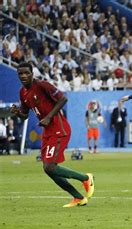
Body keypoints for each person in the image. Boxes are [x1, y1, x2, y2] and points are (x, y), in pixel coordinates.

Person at [10, 62, 94, 208]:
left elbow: (63, 99)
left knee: (49, 167)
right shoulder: (22, 93)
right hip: (48, 133)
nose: (23, 76)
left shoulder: (43, 85)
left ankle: (86, 178)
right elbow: (25, 115)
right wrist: (18, 113)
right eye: (20, 73)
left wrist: (49, 117)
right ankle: (78, 197)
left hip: (59, 129)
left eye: (26, 73)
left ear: (32, 74)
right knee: (48, 169)